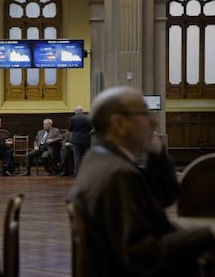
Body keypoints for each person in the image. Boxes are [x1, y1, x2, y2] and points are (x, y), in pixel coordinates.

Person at [68, 86, 215, 276]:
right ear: (119, 124)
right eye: (144, 114)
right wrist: (208, 234)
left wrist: (157, 153)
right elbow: (143, 256)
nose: (153, 122)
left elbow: (163, 197)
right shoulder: (117, 174)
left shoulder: (99, 159)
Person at [68, 105, 92, 176]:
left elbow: (70, 129)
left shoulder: (72, 118)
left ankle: (77, 172)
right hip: (86, 138)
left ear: (76, 111)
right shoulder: (88, 118)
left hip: (76, 139)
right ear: (82, 111)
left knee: (76, 156)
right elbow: (90, 128)